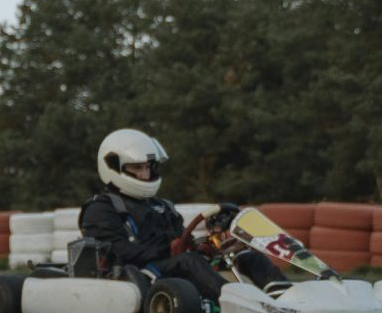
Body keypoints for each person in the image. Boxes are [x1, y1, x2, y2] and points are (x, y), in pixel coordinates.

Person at [75, 127, 274, 299]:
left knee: (249, 257)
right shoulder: (101, 208)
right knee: (188, 262)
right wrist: (167, 249)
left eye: (148, 167)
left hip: (175, 268)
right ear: (112, 167)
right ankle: (240, 304)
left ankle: (286, 297)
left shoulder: (162, 206)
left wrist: (208, 246)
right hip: (139, 275)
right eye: (137, 168)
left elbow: (182, 241)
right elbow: (117, 251)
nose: (145, 174)